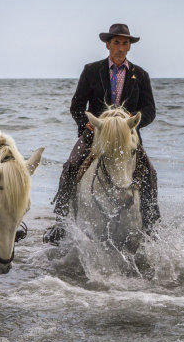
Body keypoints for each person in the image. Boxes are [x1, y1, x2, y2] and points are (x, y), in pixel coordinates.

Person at [44, 23, 160, 244]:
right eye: (116, 42)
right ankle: (60, 223)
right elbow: (77, 105)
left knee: (150, 174)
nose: (120, 47)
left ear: (129, 47)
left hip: (127, 136)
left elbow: (150, 111)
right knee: (71, 165)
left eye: (124, 43)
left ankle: (152, 226)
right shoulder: (91, 70)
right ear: (108, 44)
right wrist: (85, 123)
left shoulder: (140, 75)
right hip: (96, 133)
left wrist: (130, 125)